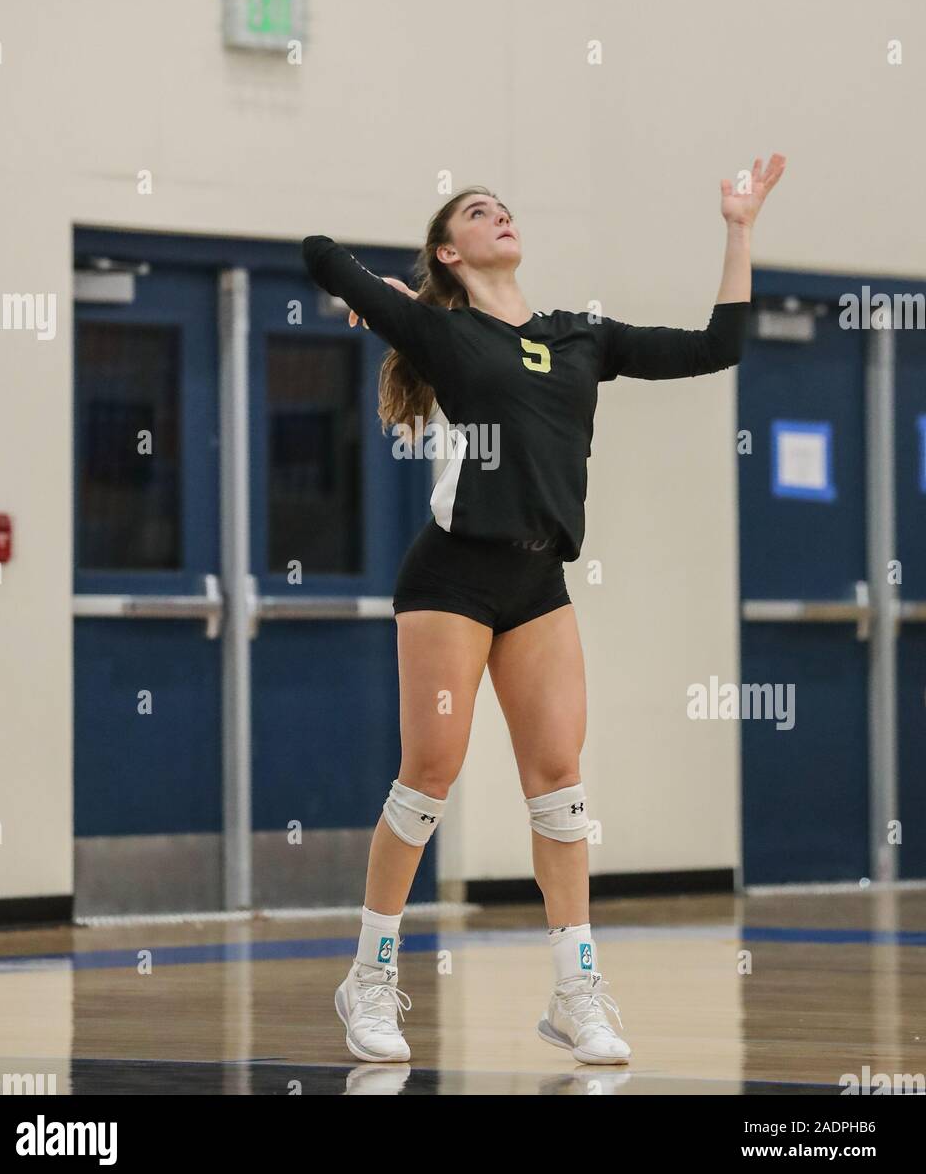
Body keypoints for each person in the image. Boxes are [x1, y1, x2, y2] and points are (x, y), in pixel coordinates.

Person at [302, 155, 786, 1065]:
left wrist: (739, 229)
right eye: (479, 214)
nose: (501, 216)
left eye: (506, 208)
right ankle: (368, 978)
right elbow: (318, 253)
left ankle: (575, 992)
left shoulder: (580, 339)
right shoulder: (443, 336)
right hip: (451, 577)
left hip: (539, 582)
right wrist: (385, 297)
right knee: (429, 776)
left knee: (560, 790)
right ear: (450, 252)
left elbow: (717, 345)